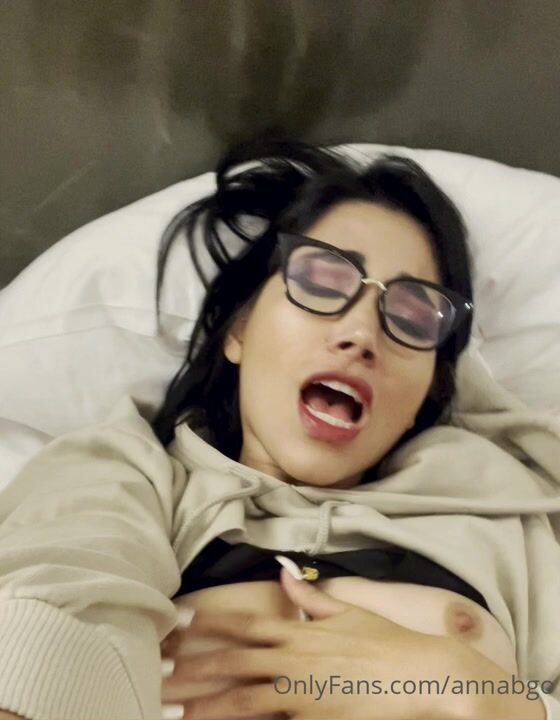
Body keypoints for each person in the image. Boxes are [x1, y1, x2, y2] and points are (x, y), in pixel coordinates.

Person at [0, 141, 559, 720]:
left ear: (429, 390)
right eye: (321, 281)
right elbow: (52, 605)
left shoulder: (510, 519)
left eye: (414, 316)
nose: (362, 333)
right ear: (238, 330)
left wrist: (498, 700)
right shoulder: (127, 473)